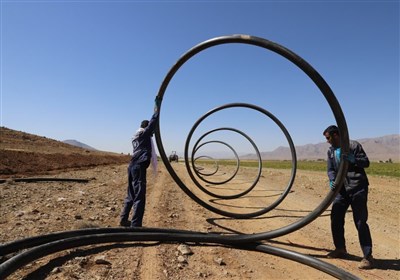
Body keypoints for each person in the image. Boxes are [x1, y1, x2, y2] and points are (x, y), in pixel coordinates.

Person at [323, 125, 374, 269]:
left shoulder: (353, 145)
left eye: (328, 138)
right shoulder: (331, 151)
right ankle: (340, 248)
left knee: (360, 222)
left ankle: (367, 256)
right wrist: (332, 179)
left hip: (358, 188)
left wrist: (354, 160)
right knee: (336, 217)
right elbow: (330, 169)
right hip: (342, 190)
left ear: (336, 135)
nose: (327, 141)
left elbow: (366, 163)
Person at [119, 97, 161, 227]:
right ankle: (136, 225)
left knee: (131, 194)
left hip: (132, 166)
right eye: (151, 131)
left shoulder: (136, 136)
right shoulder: (143, 134)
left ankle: (123, 219)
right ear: (146, 127)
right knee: (139, 196)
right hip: (138, 166)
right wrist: (157, 108)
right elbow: (153, 122)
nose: (152, 133)